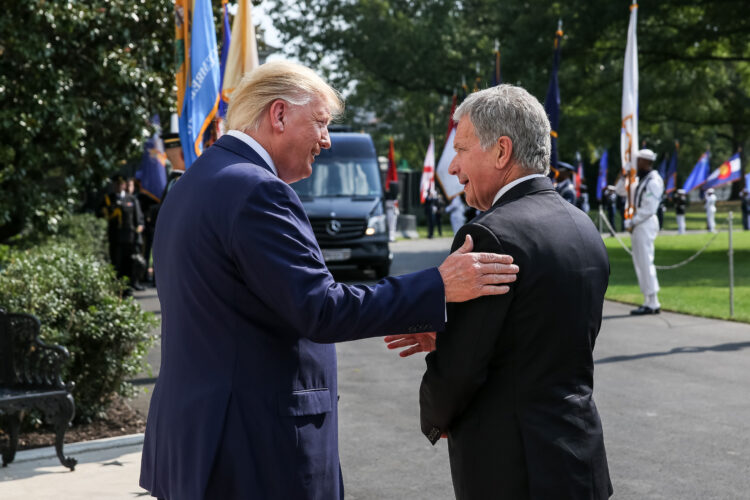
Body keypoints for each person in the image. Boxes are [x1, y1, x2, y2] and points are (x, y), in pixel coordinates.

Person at [139, 61, 520, 500]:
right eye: (320, 123)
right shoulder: (258, 191)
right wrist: (439, 284)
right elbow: (321, 308)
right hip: (253, 447)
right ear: (278, 115)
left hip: (197, 438)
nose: (326, 140)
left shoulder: (195, 182)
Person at [385, 84, 612, 499]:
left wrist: (437, 415)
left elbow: (462, 368)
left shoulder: (487, 235)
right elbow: (540, 339)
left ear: (501, 151)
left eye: (462, 150)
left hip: (512, 469)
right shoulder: (582, 226)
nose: (452, 168)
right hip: (579, 460)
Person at [628, 148, 664, 315]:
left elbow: (649, 208)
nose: (637, 162)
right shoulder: (643, 179)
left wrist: (632, 221)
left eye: (639, 160)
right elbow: (623, 191)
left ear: (647, 162)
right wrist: (624, 175)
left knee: (645, 262)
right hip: (640, 223)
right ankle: (649, 300)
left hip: (645, 222)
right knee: (640, 263)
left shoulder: (653, 181)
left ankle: (653, 302)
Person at [101, 176, 145, 291]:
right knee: (116, 264)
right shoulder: (108, 199)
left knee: (129, 264)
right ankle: (116, 288)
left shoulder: (131, 199)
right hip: (115, 238)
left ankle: (127, 288)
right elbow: (102, 213)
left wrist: (138, 233)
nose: (118, 186)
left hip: (129, 238)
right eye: (116, 184)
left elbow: (139, 219)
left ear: (124, 185)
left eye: (121, 184)